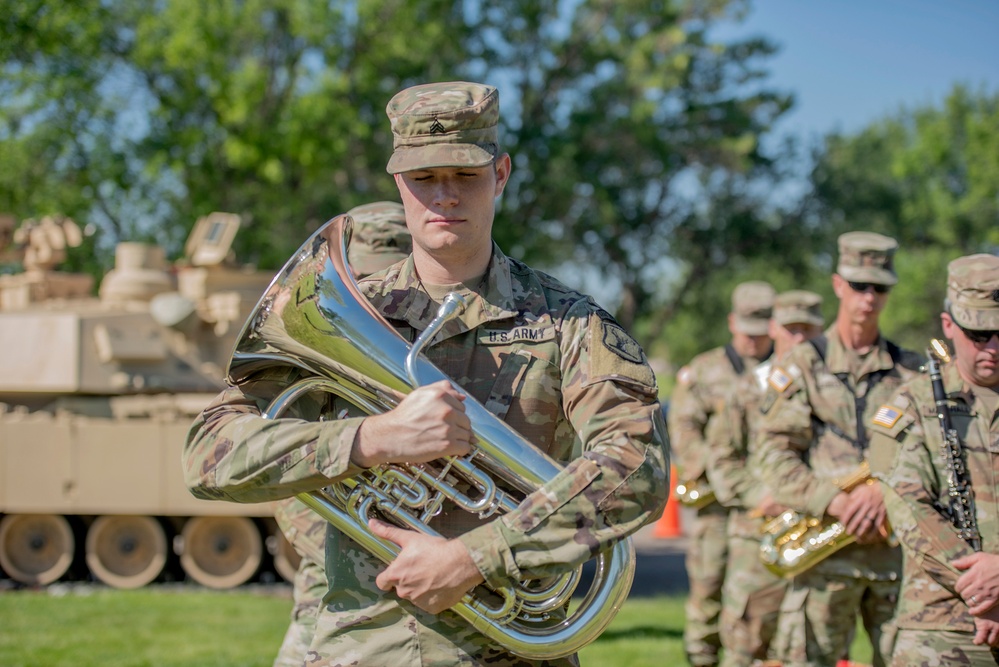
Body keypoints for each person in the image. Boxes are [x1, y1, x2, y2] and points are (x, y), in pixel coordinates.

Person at [182, 80, 669, 667]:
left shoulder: (571, 322)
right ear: (398, 184)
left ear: (502, 174)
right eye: (424, 177)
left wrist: (477, 558)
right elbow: (207, 456)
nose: (445, 196)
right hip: (367, 649)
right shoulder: (336, 313)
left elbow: (638, 463)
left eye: (466, 175)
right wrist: (370, 439)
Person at [755, 231, 924, 667]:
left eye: (880, 287)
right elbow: (773, 454)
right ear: (837, 285)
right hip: (827, 556)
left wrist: (883, 494)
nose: (868, 298)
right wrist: (834, 499)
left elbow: (933, 459)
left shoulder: (914, 371)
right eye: (858, 285)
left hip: (897, 557)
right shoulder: (801, 365)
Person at [271, 200, 412, 667]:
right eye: (362, 279)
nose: (374, 294)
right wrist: (355, 535)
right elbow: (279, 455)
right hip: (334, 564)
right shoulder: (317, 349)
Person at [868, 253, 999, 665]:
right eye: (978, 334)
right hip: (943, 625)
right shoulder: (911, 404)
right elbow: (909, 510)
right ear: (949, 326)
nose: (992, 346)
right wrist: (985, 591)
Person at [706, 289, 825, 667]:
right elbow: (721, 459)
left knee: (810, 645)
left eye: (809, 330)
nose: (800, 340)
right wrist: (762, 494)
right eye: (792, 330)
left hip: (817, 538)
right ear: (774, 329)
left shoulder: (832, 388)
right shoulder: (749, 388)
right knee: (746, 643)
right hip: (757, 537)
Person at [667, 280, 775, 667]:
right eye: (747, 332)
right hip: (716, 504)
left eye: (761, 334)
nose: (753, 341)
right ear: (732, 323)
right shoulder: (704, 370)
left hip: (765, 504)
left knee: (758, 598)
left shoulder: (786, 370)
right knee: (708, 590)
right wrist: (716, 470)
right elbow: (683, 428)